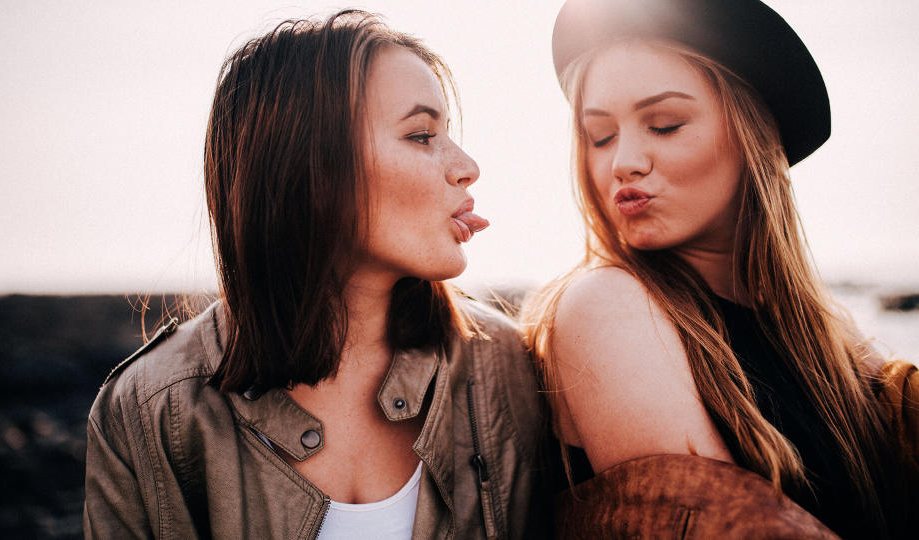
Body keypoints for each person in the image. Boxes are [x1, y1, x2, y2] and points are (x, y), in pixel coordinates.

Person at [83, 10, 548, 539]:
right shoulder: (151, 409)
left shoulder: (514, 369)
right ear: (306, 167)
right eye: (421, 135)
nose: (466, 165)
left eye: (447, 133)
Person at [522, 0, 919, 537]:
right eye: (601, 136)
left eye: (664, 125)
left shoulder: (834, 343)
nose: (623, 162)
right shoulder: (607, 306)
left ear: (751, 137)